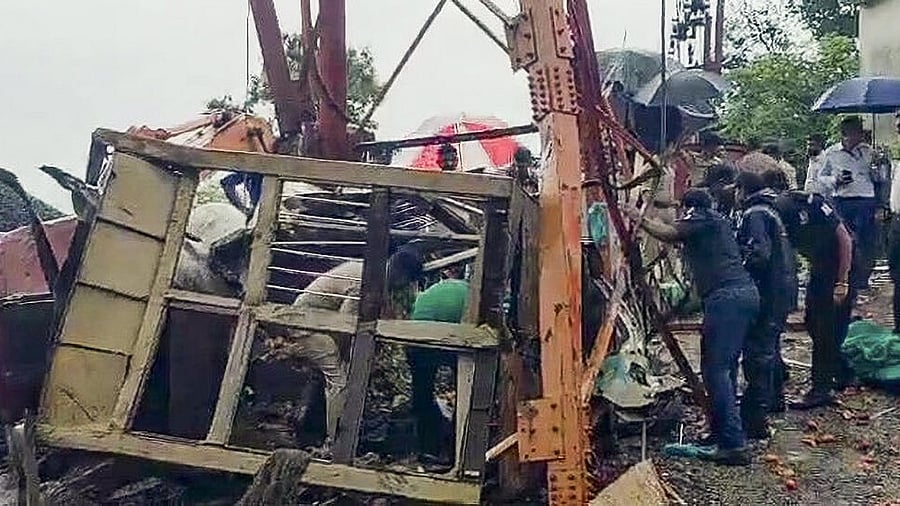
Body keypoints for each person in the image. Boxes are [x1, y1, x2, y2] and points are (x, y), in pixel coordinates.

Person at [625, 189, 759, 465]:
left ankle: (733, 444)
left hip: (727, 298)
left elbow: (667, 233)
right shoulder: (717, 222)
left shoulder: (701, 217)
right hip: (741, 295)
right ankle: (723, 433)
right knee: (726, 369)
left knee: (715, 371)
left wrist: (638, 217)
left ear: (688, 208)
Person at [289, 244, 425, 443]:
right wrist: (346, 356)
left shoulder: (376, 274)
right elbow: (344, 327)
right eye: (407, 282)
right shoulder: (366, 282)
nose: (405, 287)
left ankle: (311, 427)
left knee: (329, 374)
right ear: (401, 275)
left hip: (320, 320)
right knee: (339, 379)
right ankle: (334, 441)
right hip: (305, 322)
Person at [770, 180, 855, 409]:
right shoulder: (778, 211)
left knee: (826, 327)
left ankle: (821, 389)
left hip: (839, 268)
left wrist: (842, 282)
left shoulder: (812, 205)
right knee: (812, 322)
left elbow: (845, 240)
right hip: (820, 267)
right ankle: (842, 371)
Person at [734, 172, 795, 432]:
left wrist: (738, 269)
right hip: (782, 289)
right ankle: (774, 400)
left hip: (768, 291)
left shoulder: (754, 214)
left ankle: (756, 420)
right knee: (771, 348)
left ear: (742, 190)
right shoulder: (771, 210)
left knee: (758, 354)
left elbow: (759, 253)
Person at [406, 264, 469, 467]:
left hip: (416, 337)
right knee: (466, 396)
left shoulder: (431, 293)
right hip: (455, 335)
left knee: (422, 394)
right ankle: (455, 451)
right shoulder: (468, 293)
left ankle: (426, 448)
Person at [817, 116, 877, 290]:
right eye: (856, 131)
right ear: (846, 134)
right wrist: (835, 180)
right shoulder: (831, 153)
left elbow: (878, 178)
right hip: (842, 199)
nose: (860, 135)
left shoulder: (868, 152)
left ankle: (862, 279)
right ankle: (845, 275)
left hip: (865, 198)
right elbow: (821, 177)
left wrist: (876, 166)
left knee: (865, 239)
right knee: (845, 238)